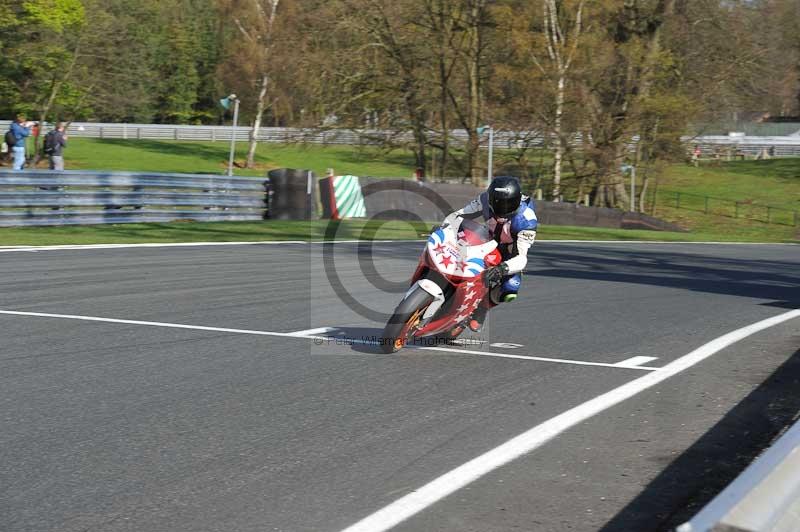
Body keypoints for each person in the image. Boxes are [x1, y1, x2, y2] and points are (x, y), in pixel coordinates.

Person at [440, 176, 537, 332]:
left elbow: (522, 258)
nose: (502, 208)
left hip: (511, 249)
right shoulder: (484, 200)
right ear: (491, 197)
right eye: (497, 202)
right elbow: (459, 215)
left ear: (517, 201)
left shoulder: (527, 220)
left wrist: (502, 269)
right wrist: (443, 227)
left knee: (510, 288)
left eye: (507, 203)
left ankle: (482, 308)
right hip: (487, 237)